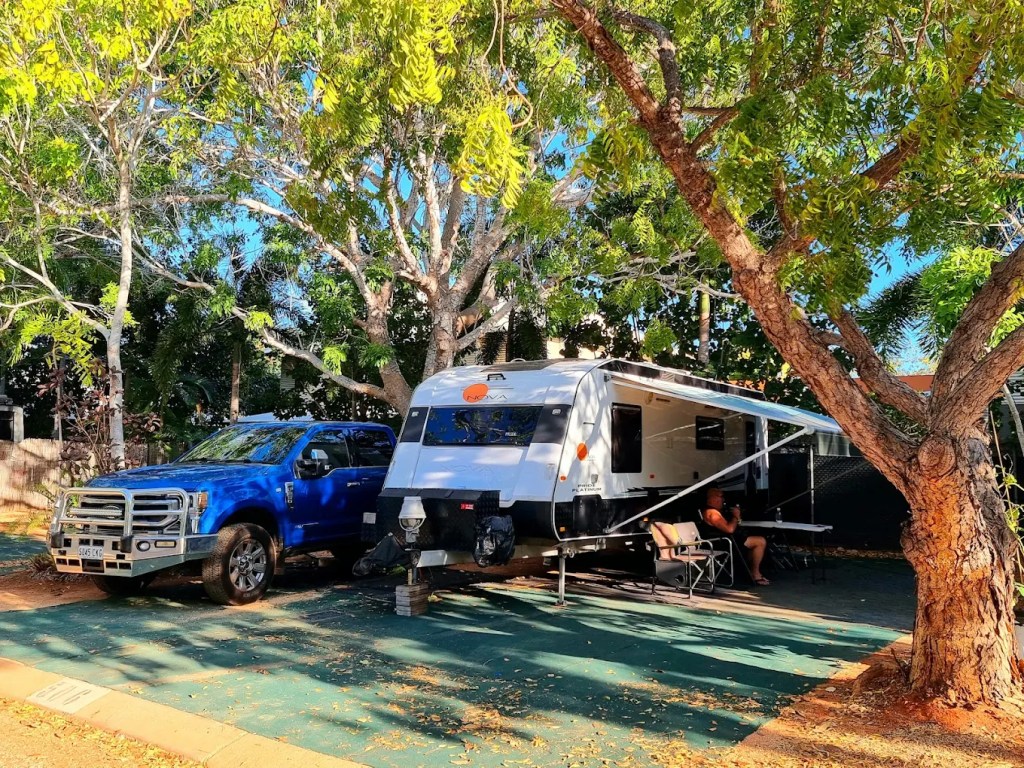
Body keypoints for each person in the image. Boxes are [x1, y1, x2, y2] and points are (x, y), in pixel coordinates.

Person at [702, 487, 770, 585]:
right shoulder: (712, 513)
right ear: (712, 498)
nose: (723, 500)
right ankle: (755, 573)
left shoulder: (717, 511)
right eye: (721, 497)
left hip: (729, 539)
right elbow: (729, 529)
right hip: (722, 542)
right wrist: (735, 516)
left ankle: (748, 570)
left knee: (756, 539)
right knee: (760, 541)